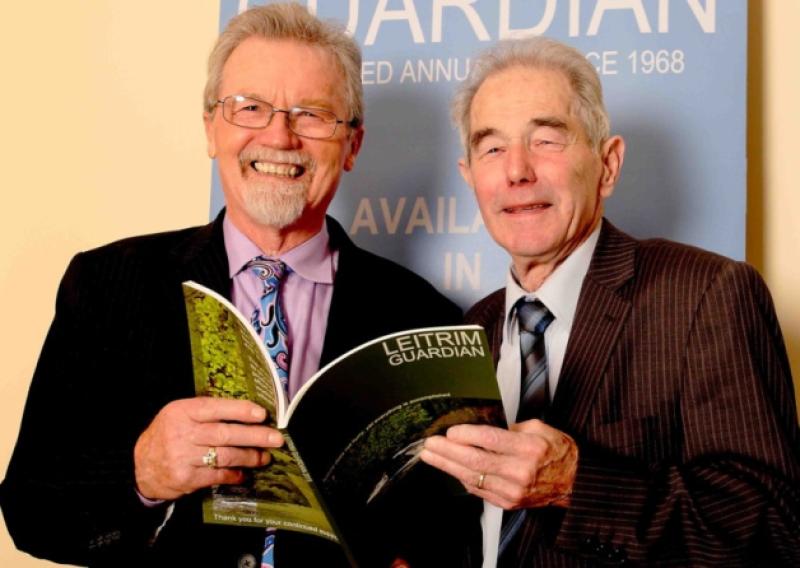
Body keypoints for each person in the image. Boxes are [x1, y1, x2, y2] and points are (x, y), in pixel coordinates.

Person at [1, 4, 464, 567]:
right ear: (210, 129)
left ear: (352, 146)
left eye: (312, 114)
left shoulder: (426, 317)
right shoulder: (106, 284)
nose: (279, 136)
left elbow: (453, 529)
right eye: (250, 108)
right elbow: (30, 510)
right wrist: (142, 472)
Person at [420, 36, 800, 566]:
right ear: (470, 177)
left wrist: (575, 482)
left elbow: (774, 530)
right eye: (492, 148)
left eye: (547, 140)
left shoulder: (706, 295)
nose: (517, 171)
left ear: (608, 164)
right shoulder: (473, 329)